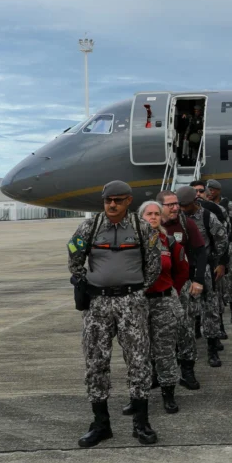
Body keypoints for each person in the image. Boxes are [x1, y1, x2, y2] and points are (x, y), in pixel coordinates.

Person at [68, 180, 161, 447]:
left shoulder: (143, 229)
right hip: (98, 304)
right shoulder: (90, 227)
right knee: (96, 362)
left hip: (132, 303)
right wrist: (86, 283)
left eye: (118, 200)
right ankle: (101, 425)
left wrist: (136, 290)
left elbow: (153, 266)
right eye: (108, 199)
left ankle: (141, 424)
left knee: (139, 362)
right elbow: (74, 257)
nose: (112, 205)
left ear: (128, 201)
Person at [122, 201, 190, 416]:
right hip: (137, 303)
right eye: (148, 214)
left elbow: (182, 271)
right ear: (140, 217)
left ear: (162, 218)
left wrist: (170, 292)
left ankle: (168, 394)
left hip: (163, 301)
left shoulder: (169, 242)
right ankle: (137, 395)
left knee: (165, 350)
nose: (153, 217)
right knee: (136, 353)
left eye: (156, 214)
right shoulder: (128, 241)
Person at [156, 190, 205, 390]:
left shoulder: (187, 224)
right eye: (170, 205)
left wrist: (198, 280)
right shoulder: (149, 225)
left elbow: (201, 252)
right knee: (158, 332)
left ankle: (187, 370)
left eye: (176, 204)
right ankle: (156, 371)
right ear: (160, 207)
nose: (175, 207)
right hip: (158, 288)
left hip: (182, 285)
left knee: (186, 329)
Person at [178, 185, 228, 367]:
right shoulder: (177, 218)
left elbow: (222, 239)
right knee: (185, 311)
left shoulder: (208, 216)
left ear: (195, 201)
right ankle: (184, 351)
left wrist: (219, 263)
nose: (182, 209)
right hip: (183, 269)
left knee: (210, 309)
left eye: (185, 205)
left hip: (206, 267)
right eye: (180, 205)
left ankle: (212, 348)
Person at [205, 179, 232, 326]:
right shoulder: (204, 206)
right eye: (209, 189)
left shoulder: (231, 206)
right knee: (216, 285)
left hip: (228, 246)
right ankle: (219, 320)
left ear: (219, 190)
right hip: (211, 249)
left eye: (213, 189)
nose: (210, 192)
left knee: (230, 279)